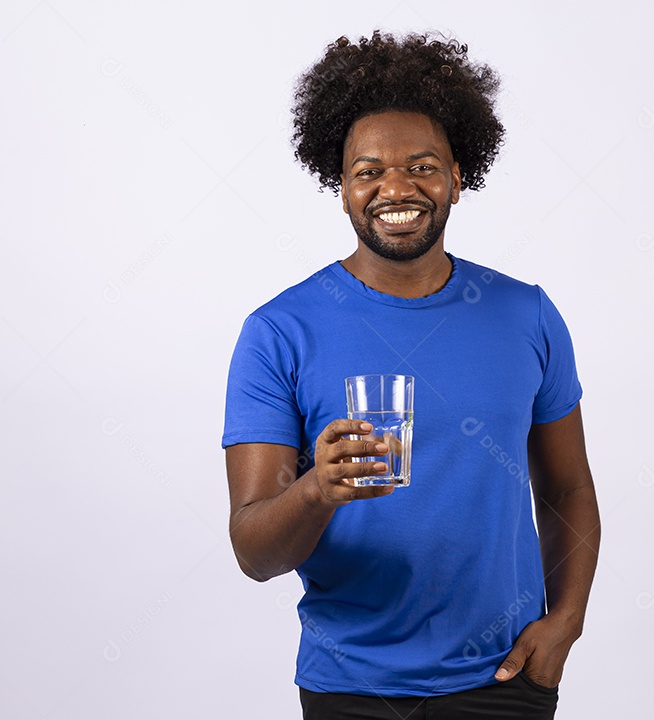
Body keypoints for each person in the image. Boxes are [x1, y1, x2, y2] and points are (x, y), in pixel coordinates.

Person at [222, 30, 600, 720]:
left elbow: (568, 486)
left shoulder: (527, 315)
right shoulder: (278, 332)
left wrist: (566, 621)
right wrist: (316, 491)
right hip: (350, 688)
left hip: (505, 682)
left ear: (458, 176)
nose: (395, 188)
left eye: (421, 165)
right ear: (341, 190)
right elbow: (253, 550)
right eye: (368, 171)